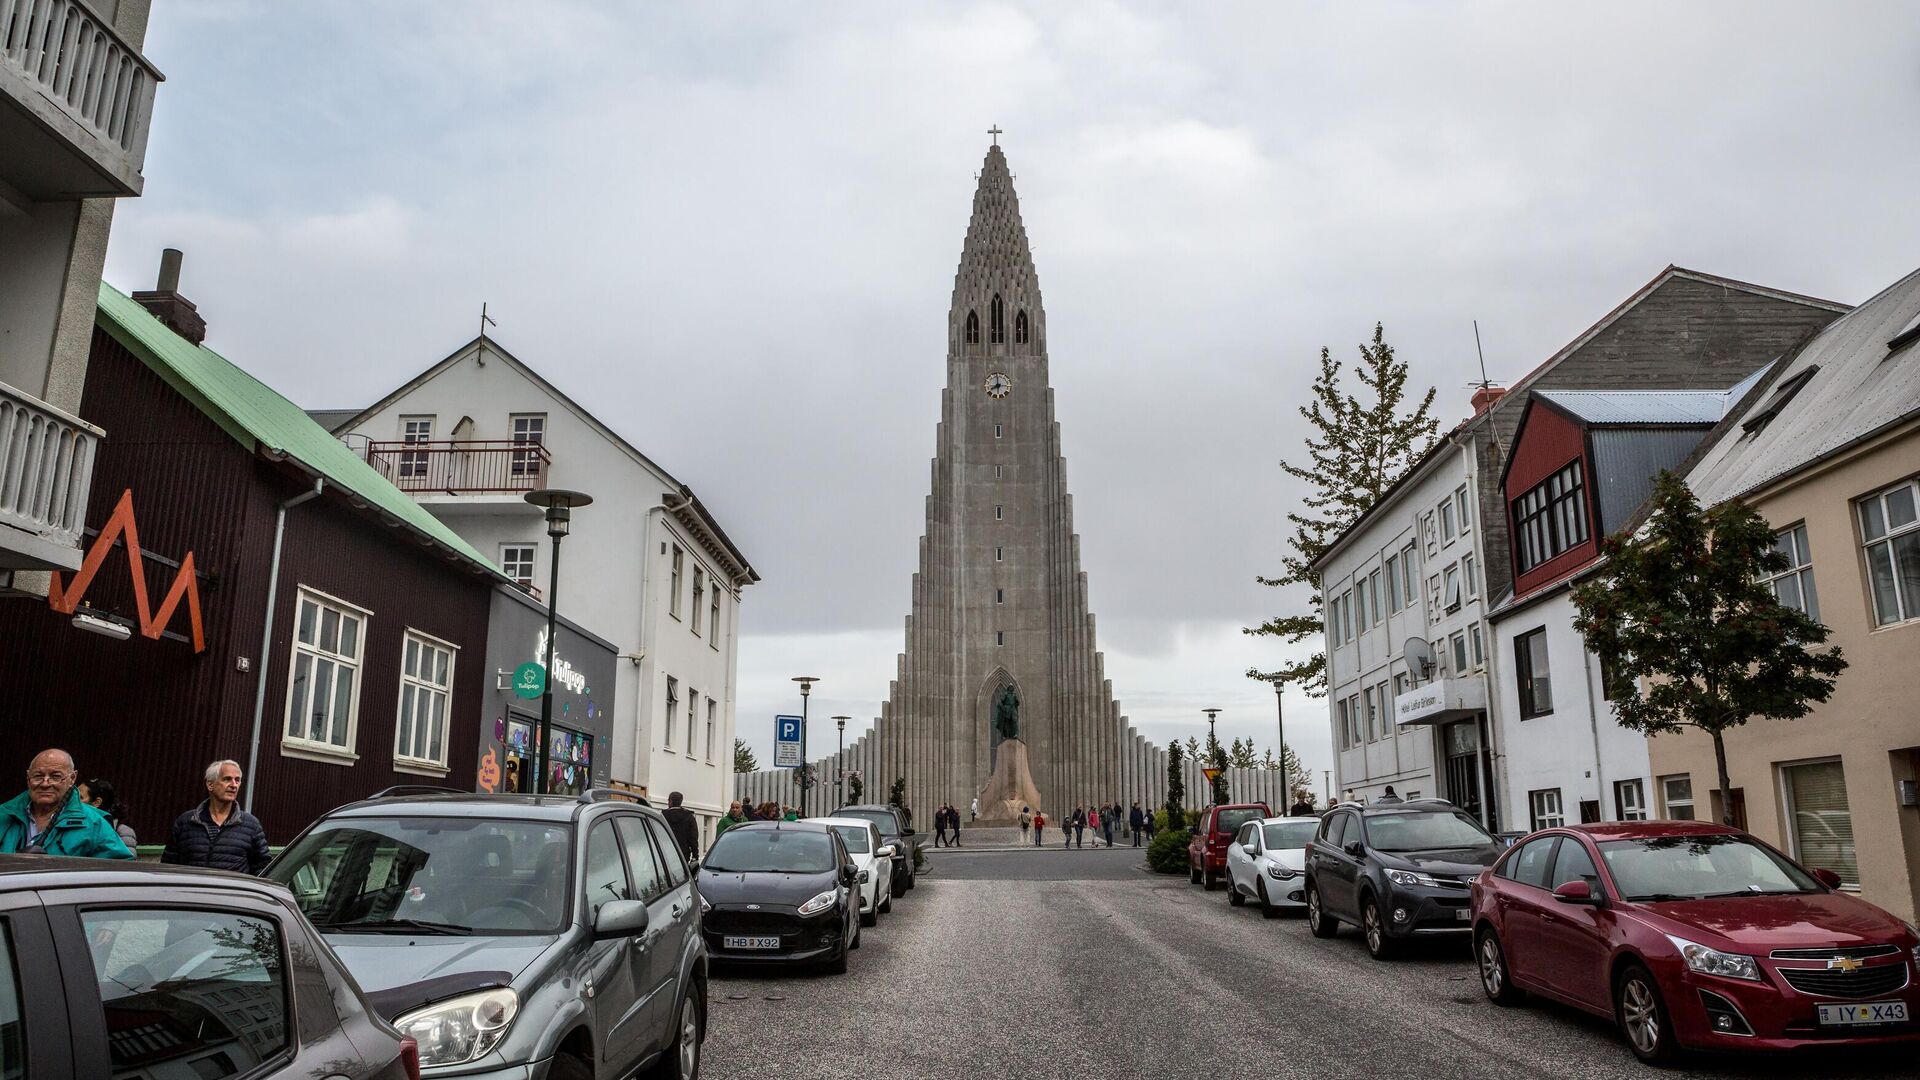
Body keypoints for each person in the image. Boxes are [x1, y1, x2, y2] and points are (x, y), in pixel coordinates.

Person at [0, 749, 132, 859]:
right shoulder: (4, 815)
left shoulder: (94, 824)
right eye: (38, 776)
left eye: (56, 776)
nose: (45, 783)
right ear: (28, 778)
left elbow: (119, 873)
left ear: (72, 778)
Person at [161, 760, 270, 874]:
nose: (234, 785)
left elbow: (263, 868)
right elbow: (168, 866)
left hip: (232, 891)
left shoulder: (250, 825)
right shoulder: (186, 822)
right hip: (192, 891)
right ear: (210, 784)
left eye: (237, 780)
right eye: (227, 779)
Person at [80, 777, 138, 850]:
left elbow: (126, 860)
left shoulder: (123, 831)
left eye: (80, 797)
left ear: (96, 802)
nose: (74, 800)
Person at [662, 791, 699, 862]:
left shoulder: (662, 816)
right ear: (681, 802)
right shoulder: (689, 817)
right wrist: (695, 855)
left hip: (665, 854)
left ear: (670, 801)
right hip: (683, 855)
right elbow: (693, 838)